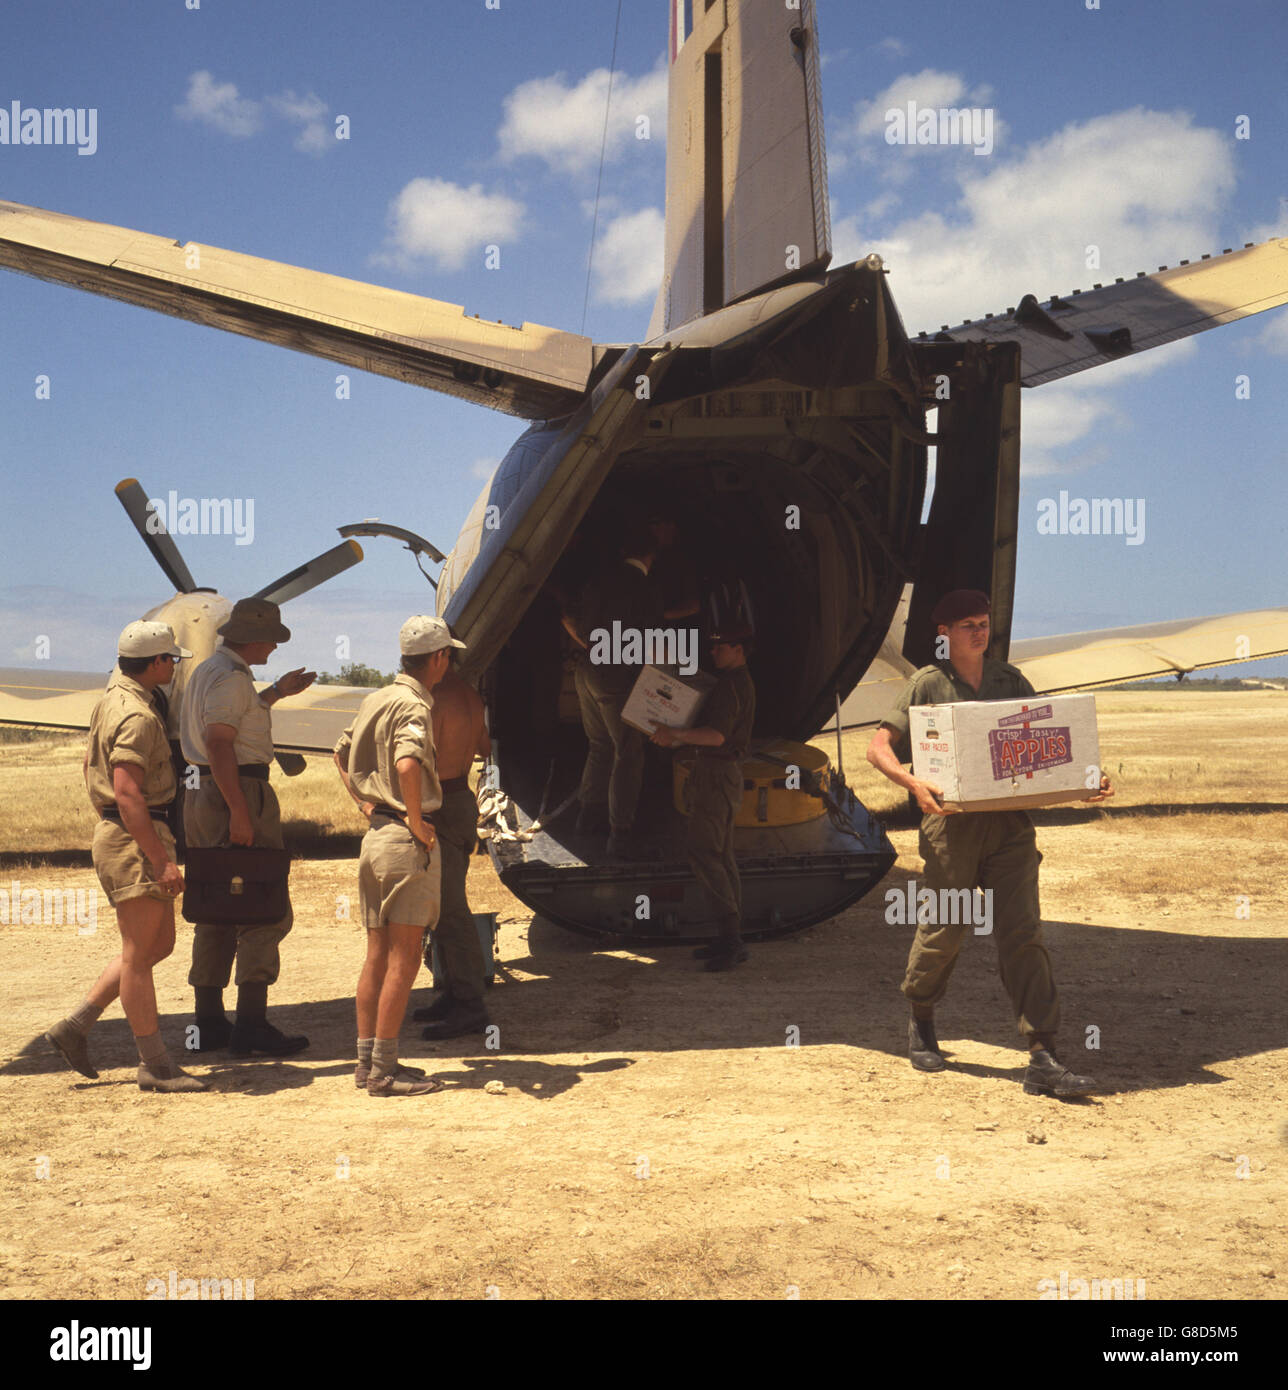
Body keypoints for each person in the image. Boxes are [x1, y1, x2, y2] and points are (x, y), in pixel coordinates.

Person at [865, 589, 1113, 1097]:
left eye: (983, 622)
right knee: (946, 929)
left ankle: (1042, 1054)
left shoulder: (1008, 680)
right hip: (951, 831)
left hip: (1010, 829)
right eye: (967, 625)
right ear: (944, 634)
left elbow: (1050, 741)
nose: (980, 631)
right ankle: (922, 1017)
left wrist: (1087, 779)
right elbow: (878, 747)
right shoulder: (927, 685)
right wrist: (912, 785)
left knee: (1022, 934)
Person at [45, 621, 207, 1093]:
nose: (174, 668)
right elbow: (127, 791)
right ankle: (154, 1065)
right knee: (139, 955)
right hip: (134, 834)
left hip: (132, 830)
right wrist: (161, 859)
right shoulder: (136, 713)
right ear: (156, 663)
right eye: (171, 660)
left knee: (158, 946)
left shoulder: (114, 698)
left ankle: (76, 1025)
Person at [333, 616, 464, 1096]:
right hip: (403, 841)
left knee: (376, 954)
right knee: (405, 957)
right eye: (447, 654)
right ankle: (385, 1071)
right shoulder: (413, 705)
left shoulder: (376, 698)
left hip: (375, 837)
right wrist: (413, 819)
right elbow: (408, 763)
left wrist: (366, 804)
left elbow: (339, 754)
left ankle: (367, 1063)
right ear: (437, 658)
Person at [179, 598, 314, 1056]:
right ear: (255, 639)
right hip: (236, 789)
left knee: (214, 904)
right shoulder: (233, 679)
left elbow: (231, 721)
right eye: (272, 640)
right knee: (262, 904)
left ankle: (209, 1024)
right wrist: (239, 810)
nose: (274, 647)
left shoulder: (210, 672)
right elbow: (220, 745)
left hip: (202, 793)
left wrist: (275, 693)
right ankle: (251, 1026)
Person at [650, 624, 756, 972]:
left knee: (706, 851)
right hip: (719, 775)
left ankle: (731, 938)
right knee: (720, 853)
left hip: (715, 775)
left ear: (738, 649)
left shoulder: (730, 687)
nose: (714, 653)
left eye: (720, 647)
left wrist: (676, 735)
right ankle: (730, 935)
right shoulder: (737, 683)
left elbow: (717, 736)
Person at [573, 522, 666, 857]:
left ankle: (586, 817)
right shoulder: (645, 588)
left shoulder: (597, 583)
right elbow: (654, 645)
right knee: (628, 752)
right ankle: (620, 833)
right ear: (650, 556)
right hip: (617, 679)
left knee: (599, 745)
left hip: (586, 672)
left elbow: (575, 624)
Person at [412, 661, 493, 1041]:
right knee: (444, 906)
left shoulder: (433, 699)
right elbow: (484, 746)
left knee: (449, 909)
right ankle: (454, 993)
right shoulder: (471, 697)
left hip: (440, 803)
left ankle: (471, 1006)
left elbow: (419, 758)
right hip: (461, 798)